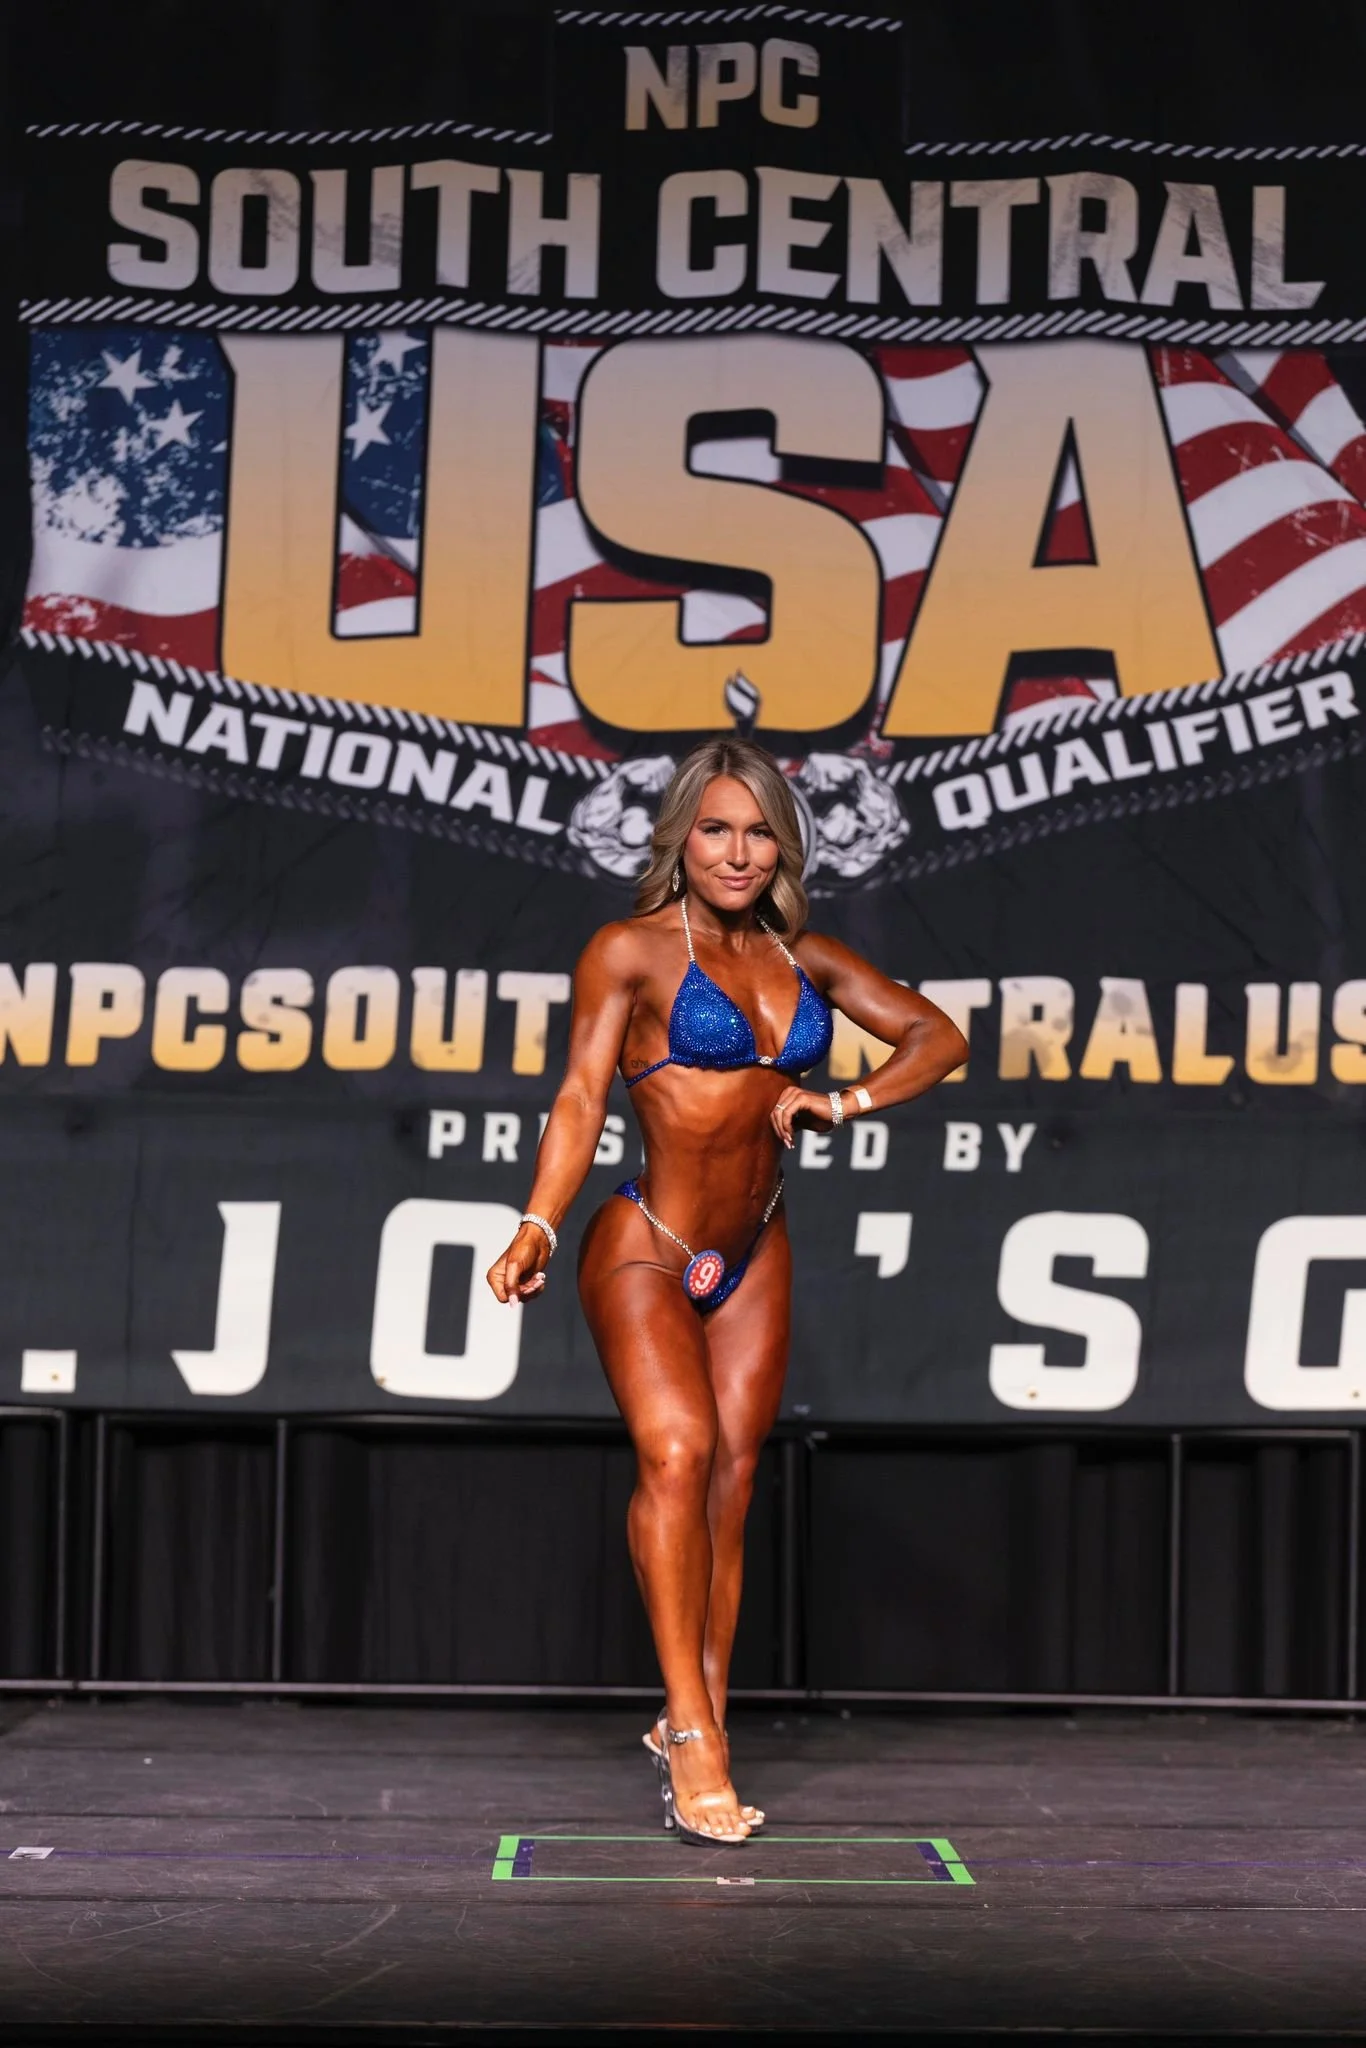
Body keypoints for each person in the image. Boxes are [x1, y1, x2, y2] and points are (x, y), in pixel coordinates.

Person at [487, 739, 966, 1843]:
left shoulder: (808, 959)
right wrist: (536, 1219)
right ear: (679, 837)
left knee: (733, 1484)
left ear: (785, 843)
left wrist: (845, 1101)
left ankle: (687, 1706)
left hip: (753, 1247)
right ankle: (699, 1738)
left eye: (759, 830)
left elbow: (940, 1037)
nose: (738, 850)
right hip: (643, 1241)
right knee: (677, 1451)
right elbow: (576, 1095)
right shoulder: (631, 950)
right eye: (715, 827)